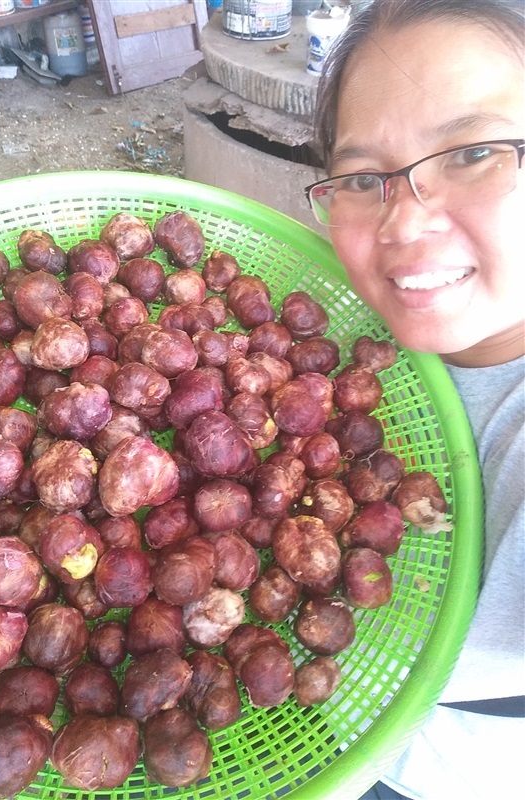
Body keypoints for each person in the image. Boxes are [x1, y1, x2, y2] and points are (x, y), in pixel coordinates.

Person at [306, 1, 525, 798]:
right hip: (324, 716)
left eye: (472, 152)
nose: (405, 219)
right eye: (365, 178)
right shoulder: (340, 332)